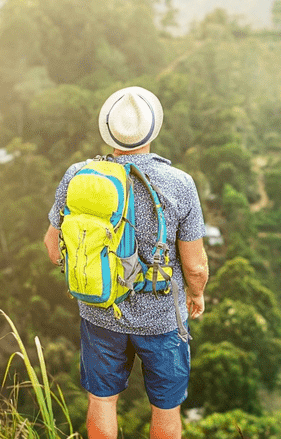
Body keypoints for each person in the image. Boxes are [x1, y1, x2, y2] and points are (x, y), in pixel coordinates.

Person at [43, 86, 209, 439]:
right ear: (153, 130)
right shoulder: (180, 184)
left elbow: (53, 247)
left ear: (109, 129)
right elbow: (195, 266)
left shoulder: (79, 175)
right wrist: (196, 295)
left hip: (100, 310)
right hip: (163, 317)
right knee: (166, 405)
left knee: (102, 400)